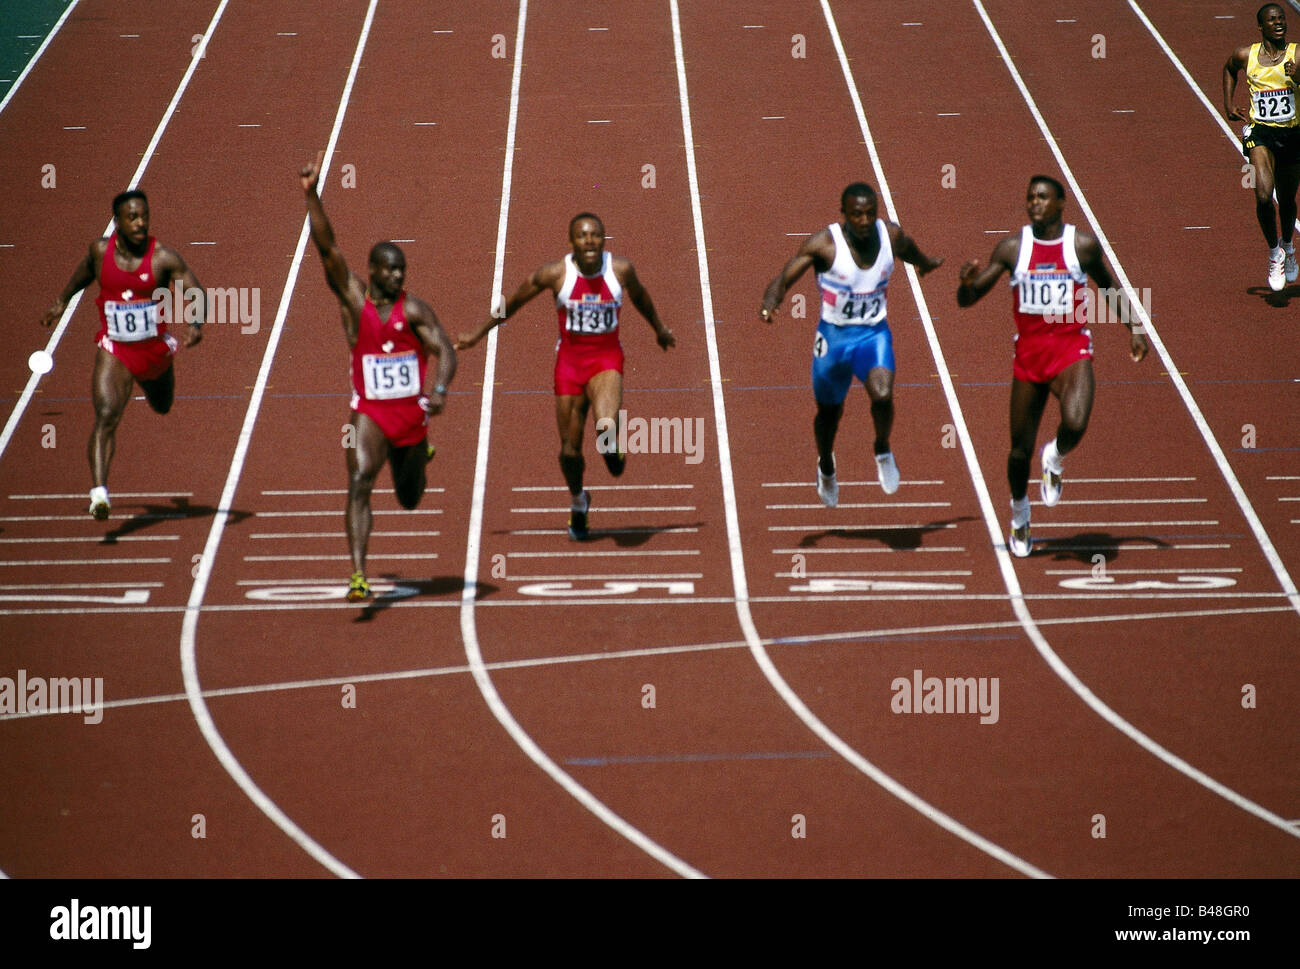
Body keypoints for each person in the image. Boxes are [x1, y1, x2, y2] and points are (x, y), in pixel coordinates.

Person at [956, 175, 1149, 558]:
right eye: (1029, 198)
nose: (1034, 204)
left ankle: (1055, 457)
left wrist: (1135, 329)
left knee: (1076, 423)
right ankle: (1020, 515)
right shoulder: (1012, 249)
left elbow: (1108, 287)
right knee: (1017, 453)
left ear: (1061, 202)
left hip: (1071, 348)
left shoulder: (1082, 246)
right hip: (1029, 355)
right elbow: (970, 299)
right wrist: (965, 285)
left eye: (1042, 197)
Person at [456, 213, 674, 540]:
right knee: (570, 451)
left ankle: (611, 443)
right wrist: (478, 333)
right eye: (582, 236)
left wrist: (659, 329)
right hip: (570, 366)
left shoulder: (620, 271)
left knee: (604, 427)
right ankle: (579, 502)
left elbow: (641, 298)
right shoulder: (555, 275)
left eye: (596, 235)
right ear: (571, 242)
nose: (589, 241)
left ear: (603, 240)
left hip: (606, 359)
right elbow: (512, 303)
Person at [301, 156, 456, 602]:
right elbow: (327, 248)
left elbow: (444, 349)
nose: (398, 275)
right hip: (368, 411)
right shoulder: (354, 299)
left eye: (402, 270)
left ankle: (419, 456)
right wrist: (312, 195)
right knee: (360, 480)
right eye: (390, 269)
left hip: (410, 414)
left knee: (409, 500)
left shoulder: (414, 310)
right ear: (372, 270)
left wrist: (440, 388)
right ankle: (358, 575)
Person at [759, 182, 942, 507]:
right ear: (843, 214)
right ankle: (826, 465)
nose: (864, 220)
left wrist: (924, 263)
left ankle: (883, 449)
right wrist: (771, 302)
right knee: (830, 414)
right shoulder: (825, 244)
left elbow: (909, 248)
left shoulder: (890, 236)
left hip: (873, 335)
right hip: (833, 340)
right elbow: (784, 278)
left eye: (870, 213)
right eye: (856, 214)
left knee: (883, 393)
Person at [40, 190, 205, 520]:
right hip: (115, 349)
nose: (141, 222)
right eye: (133, 217)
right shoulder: (100, 252)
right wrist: (61, 300)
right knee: (106, 417)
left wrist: (196, 322)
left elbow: (195, 289)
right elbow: (85, 271)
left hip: (154, 351)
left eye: (144, 215)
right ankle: (99, 494)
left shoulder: (162, 258)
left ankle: (152, 384)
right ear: (118, 222)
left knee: (162, 405)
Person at [1223, 2, 1300, 291]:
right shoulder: (1246, 54)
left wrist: (1297, 75)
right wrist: (1228, 103)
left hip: (1293, 134)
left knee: (1288, 199)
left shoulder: (1297, 54)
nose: (1279, 22)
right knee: (1265, 196)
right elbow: (1229, 69)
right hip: (1261, 133)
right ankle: (1274, 252)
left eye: (1282, 18)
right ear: (1261, 26)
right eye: (1272, 19)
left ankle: (1289, 245)